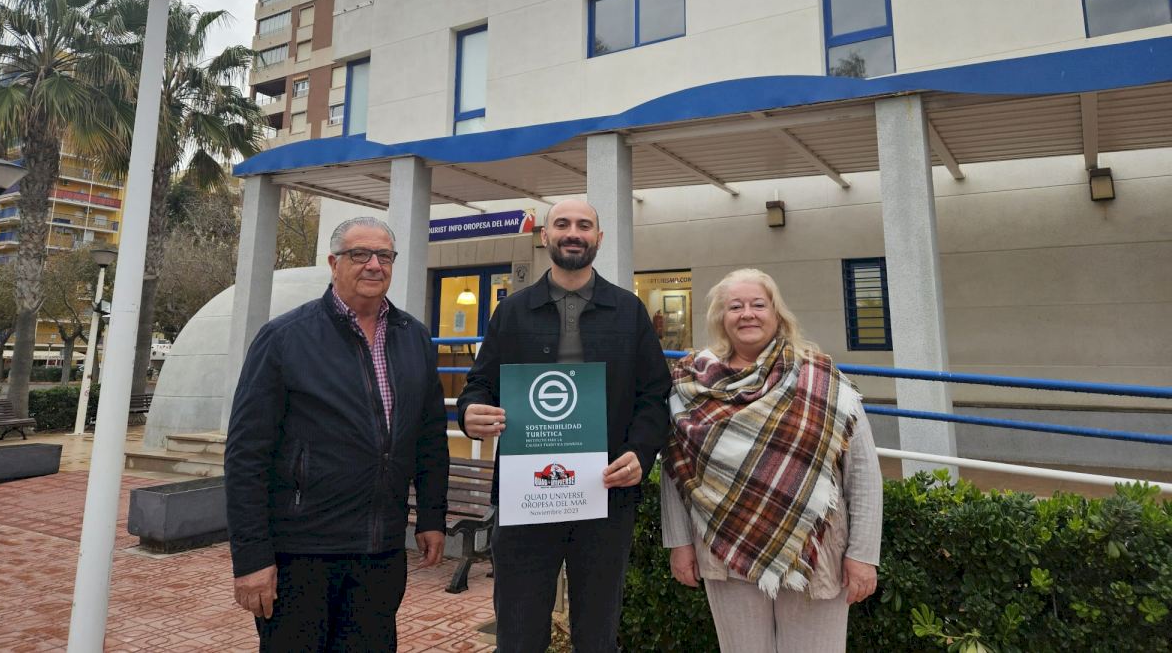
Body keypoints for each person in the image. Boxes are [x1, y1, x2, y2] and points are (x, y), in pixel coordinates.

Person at [225, 216, 449, 652]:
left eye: (384, 256)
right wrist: (251, 558)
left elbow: (429, 438)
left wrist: (432, 516)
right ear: (334, 263)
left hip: (380, 554)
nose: (374, 265)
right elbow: (246, 456)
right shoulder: (284, 338)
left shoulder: (414, 338)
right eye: (359, 254)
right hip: (301, 553)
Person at [458, 199, 672, 653]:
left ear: (598, 238)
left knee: (597, 634)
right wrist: (471, 411)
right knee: (518, 633)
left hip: (605, 494)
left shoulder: (628, 311)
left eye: (584, 225)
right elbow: (480, 385)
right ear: (545, 236)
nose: (573, 232)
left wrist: (640, 452)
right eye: (562, 224)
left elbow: (654, 395)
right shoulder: (513, 311)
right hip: (526, 495)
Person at [661, 268, 882, 653]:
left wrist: (863, 555)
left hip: (813, 551)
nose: (747, 314)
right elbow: (675, 468)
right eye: (735, 306)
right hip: (725, 550)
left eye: (758, 305)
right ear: (721, 317)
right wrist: (679, 543)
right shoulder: (692, 383)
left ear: (777, 313)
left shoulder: (820, 377)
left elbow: (862, 471)